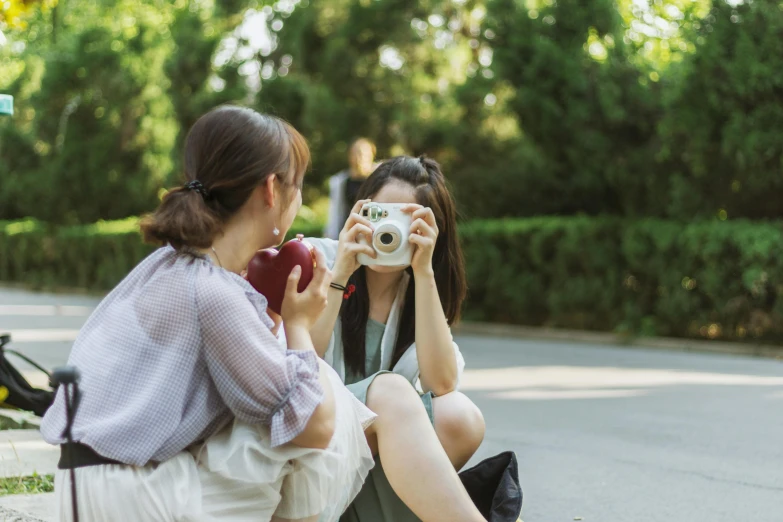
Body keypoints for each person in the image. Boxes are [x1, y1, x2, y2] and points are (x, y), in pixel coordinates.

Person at [40, 105, 376, 522]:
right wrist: (298, 324)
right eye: (299, 186)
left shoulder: (170, 264)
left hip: (82, 490)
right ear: (271, 189)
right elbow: (315, 425)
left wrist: (269, 309)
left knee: (289, 398)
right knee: (322, 397)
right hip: (131, 498)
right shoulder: (213, 293)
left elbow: (246, 371)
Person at [304, 155, 487, 521]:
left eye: (403, 220)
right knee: (390, 392)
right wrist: (341, 271)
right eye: (378, 215)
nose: (387, 230)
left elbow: (442, 383)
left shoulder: (418, 291)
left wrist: (423, 272)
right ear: (359, 210)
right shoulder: (319, 260)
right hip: (316, 433)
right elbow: (301, 363)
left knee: (461, 417)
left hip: (371, 456)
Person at [324, 138, 376, 240]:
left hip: (372, 233)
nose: (360, 158)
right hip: (349, 234)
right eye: (356, 153)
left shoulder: (379, 180)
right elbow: (335, 213)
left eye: (364, 154)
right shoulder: (340, 182)